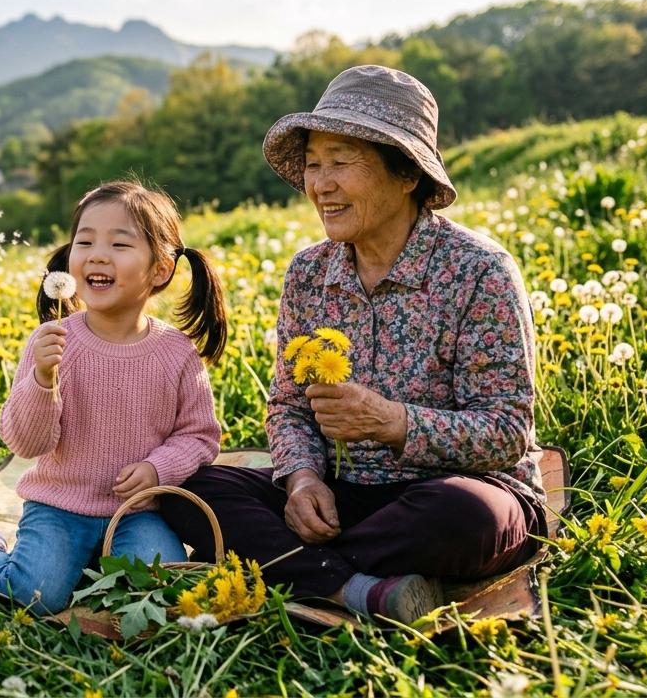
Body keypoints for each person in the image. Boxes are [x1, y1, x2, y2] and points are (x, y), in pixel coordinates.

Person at [160, 65, 547, 624]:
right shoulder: (309, 273)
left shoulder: (479, 271)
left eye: (341, 162)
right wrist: (302, 480)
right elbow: (289, 407)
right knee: (185, 488)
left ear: (407, 174)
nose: (320, 185)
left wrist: (393, 422)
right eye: (313, 165)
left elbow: (507, 432)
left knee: (466, 517)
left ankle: (293, 570)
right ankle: (357, 587)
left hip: (447, 492)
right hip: (341, 495)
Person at [0, 179, 228, 614]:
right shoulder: (55, 341)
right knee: (36, 596)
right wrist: (42, 380)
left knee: (166, 594)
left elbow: (200, 437)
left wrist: (159, 469)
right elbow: (26, 444)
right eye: (85, 241)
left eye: (120, 244)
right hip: (59, 507)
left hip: (139, 511)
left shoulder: (176, 352)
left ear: (161, 269)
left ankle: (89, 565)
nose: (97, 254)